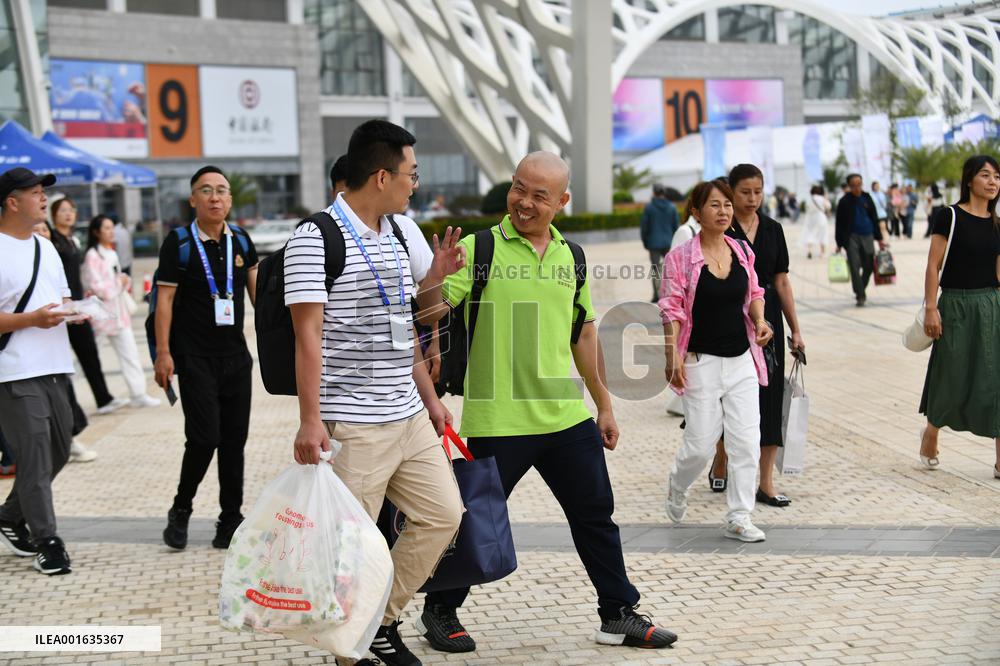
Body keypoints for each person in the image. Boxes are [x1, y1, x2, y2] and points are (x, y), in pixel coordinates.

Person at [416, 151, 677, 654]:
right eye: (519, 188)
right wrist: (435, 274)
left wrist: (603, 404)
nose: (525, 202)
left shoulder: (571, 257)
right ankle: (441, 609)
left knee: (596, 514)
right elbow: (429, 313)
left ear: (562, 201)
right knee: (477, 517)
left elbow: (582, 334)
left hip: (565, 414)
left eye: (540, 195)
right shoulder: (481, 247)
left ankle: (617, 612)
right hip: (500, 415)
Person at [287, 120, 462, 666]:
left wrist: (430, 399)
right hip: (355, 423)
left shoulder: (397, 234)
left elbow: (406, 325)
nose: (415, 182)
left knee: (444, 516)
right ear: (381, 175)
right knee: (354, 550)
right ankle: (349, 652)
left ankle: (379, 621)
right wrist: (311, 420)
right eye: (410, 174)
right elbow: (307, 337)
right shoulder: (315, 238)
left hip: (407, 413)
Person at [660, 179, 773, 542]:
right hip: (699, 361)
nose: (723, 211)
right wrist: (671, 355)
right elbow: (671, 309)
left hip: (742, 359)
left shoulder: (741, 251)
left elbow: (754, 291)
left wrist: (759, 320)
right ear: (696, 212)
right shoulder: (680, 258)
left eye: (727, 204)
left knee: (745, 440)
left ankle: (739, 516)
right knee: (700, 444)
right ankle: (678, 486)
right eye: (714, 205)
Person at [153, 166, 258, 551]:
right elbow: (163, 302)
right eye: (206, 190)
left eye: (221, 191)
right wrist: (163, 355)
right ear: (193, 199)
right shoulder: (179, 244)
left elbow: (258, 298)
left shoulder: (242, 241)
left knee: (234, 441)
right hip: (193, 356)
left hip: (236, 358)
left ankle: (230, 518)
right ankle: (181, 509)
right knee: (203, 438)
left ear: (230, 200)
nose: (215, 197)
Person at [706, 164, 804, 507]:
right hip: (728, 321)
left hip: (768, 325)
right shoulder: (720, 228)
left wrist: (796, 330)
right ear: (730, 191)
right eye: (745, 192)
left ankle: (765, 482)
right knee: (726, 396)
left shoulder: (774, 229)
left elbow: (781, 281)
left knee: (771, 398)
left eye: (758, 192)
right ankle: (722, 454)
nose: (752, 199)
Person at [0, 167, 75, 575]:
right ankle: (49, 541)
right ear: (12, 201)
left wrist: (78, 310)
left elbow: (60, 300)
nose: (44, 197)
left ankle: (10, 515)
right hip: (12, 369)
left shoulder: (45, 248)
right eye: (35, 192)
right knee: (33, 454)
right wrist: (31, 320)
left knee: (58, 451)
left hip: (55, 365)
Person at [918, 155, 1000, 479]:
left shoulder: (997, 224)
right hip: (954, 306)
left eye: (997, 176)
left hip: (991, 306)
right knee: (949, 374)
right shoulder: (949, 216)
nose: (992, 182)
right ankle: (932, 430)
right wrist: (930, 307)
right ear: (969, 180)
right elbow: (932, 265)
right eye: (985, 175)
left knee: (994, 379)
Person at [49, 197, 126, 416]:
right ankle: (72, 409)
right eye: (63, 210)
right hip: (63, 308)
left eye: (71, 209)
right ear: (54, 215)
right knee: (66, 360)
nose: (68, 214)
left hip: (77, 304)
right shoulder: (52, 240)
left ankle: (103, 398)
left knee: (89, 353)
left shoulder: (72, 240)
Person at [32, 220, 98, 464]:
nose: (41, 233)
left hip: (54, 348)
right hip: (23, 354)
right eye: (36, 229)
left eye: (44, 229)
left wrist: (73, 311)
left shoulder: (52, 255)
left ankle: (68, 441)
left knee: (64, 395)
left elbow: (63, 296)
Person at [81, 215, 160, 409]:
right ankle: (102, 398)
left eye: (111, 228)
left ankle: (138, 393)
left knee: (130, 353)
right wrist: (118, 284)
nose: (110, 232)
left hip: (119, 312)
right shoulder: (93, 255)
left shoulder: (111, 253)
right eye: (106, 228)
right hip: (101, 315)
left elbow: (116, 278)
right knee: (94, 357)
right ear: (96, 232)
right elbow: (95, 285)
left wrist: (123, 281)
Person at [835, 174, 888, 307]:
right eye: (854, 185)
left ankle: (860, 287)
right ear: (849, 186)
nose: (857, 188)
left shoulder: (867, 197)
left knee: (869, 265)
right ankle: (860, 295)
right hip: (851, 237)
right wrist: (839, 242)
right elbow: (839, 223)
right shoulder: (844, 201)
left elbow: (874, 218)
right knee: (854, 265)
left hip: (868, 234)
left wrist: (880, 238)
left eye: (859, 184)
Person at [640, 184, 679, 302]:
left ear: (654, 193)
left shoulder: (649, 207)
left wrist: (646, 242)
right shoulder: (672, 207)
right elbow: (675, 227)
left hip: (653, 243)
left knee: (655, 269)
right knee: (670, 269)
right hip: (668, 242)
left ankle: (656, 295)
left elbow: (644, 227)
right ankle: (670, 293)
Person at [801, 184, 830, 258]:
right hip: (820, 217)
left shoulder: (809, 199)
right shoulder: (821, 198)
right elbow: (828, 206)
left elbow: (806, 209)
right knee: (823, 234)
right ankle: (822, 252)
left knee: (810, 234)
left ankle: (810, 250)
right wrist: (826, 198)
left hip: (811, 218)